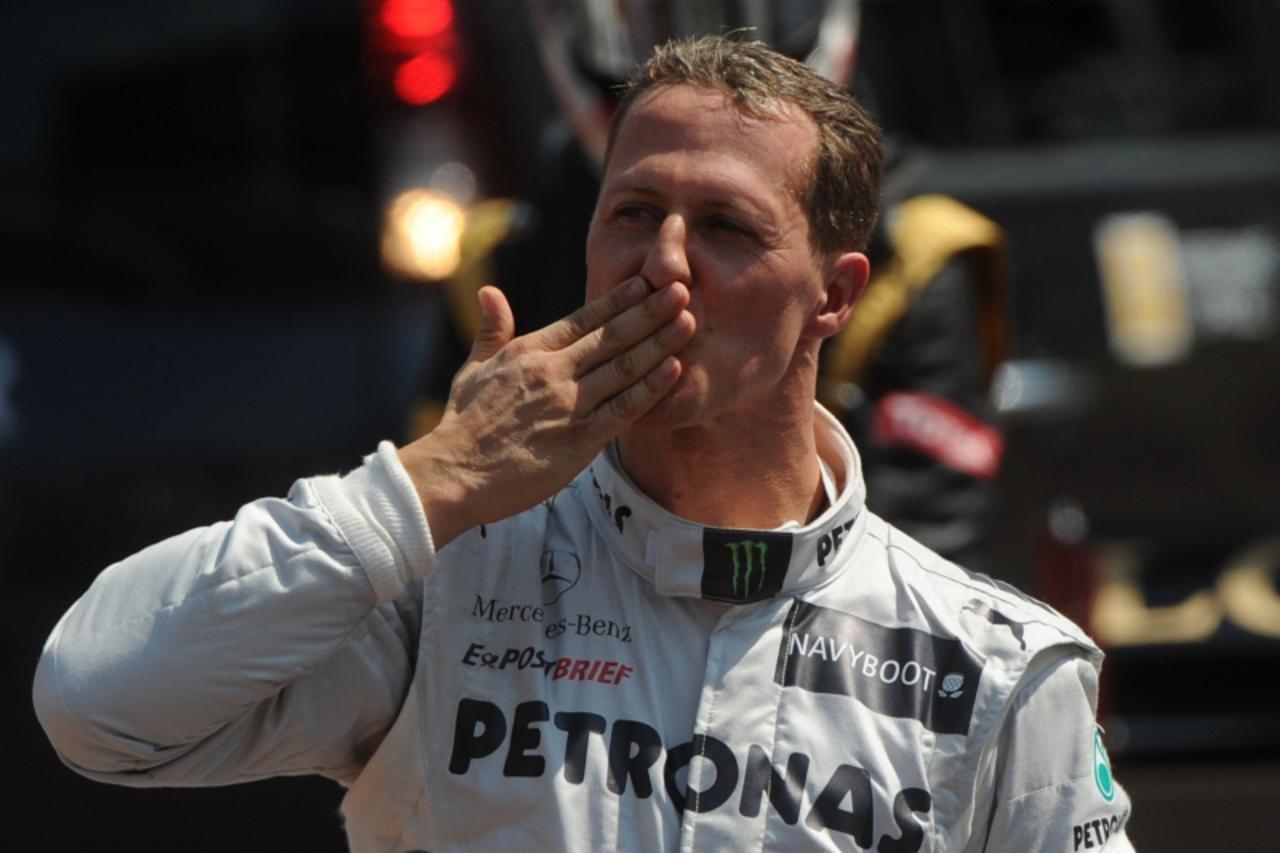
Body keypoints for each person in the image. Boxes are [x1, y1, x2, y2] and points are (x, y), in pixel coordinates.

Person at [33, 35, 1133, 852]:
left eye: (724, 227)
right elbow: (96, 706)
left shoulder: (994, 667)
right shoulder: (441, 574)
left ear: (834, 295)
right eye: (630, 212)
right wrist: (435, 481)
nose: (661, 262)